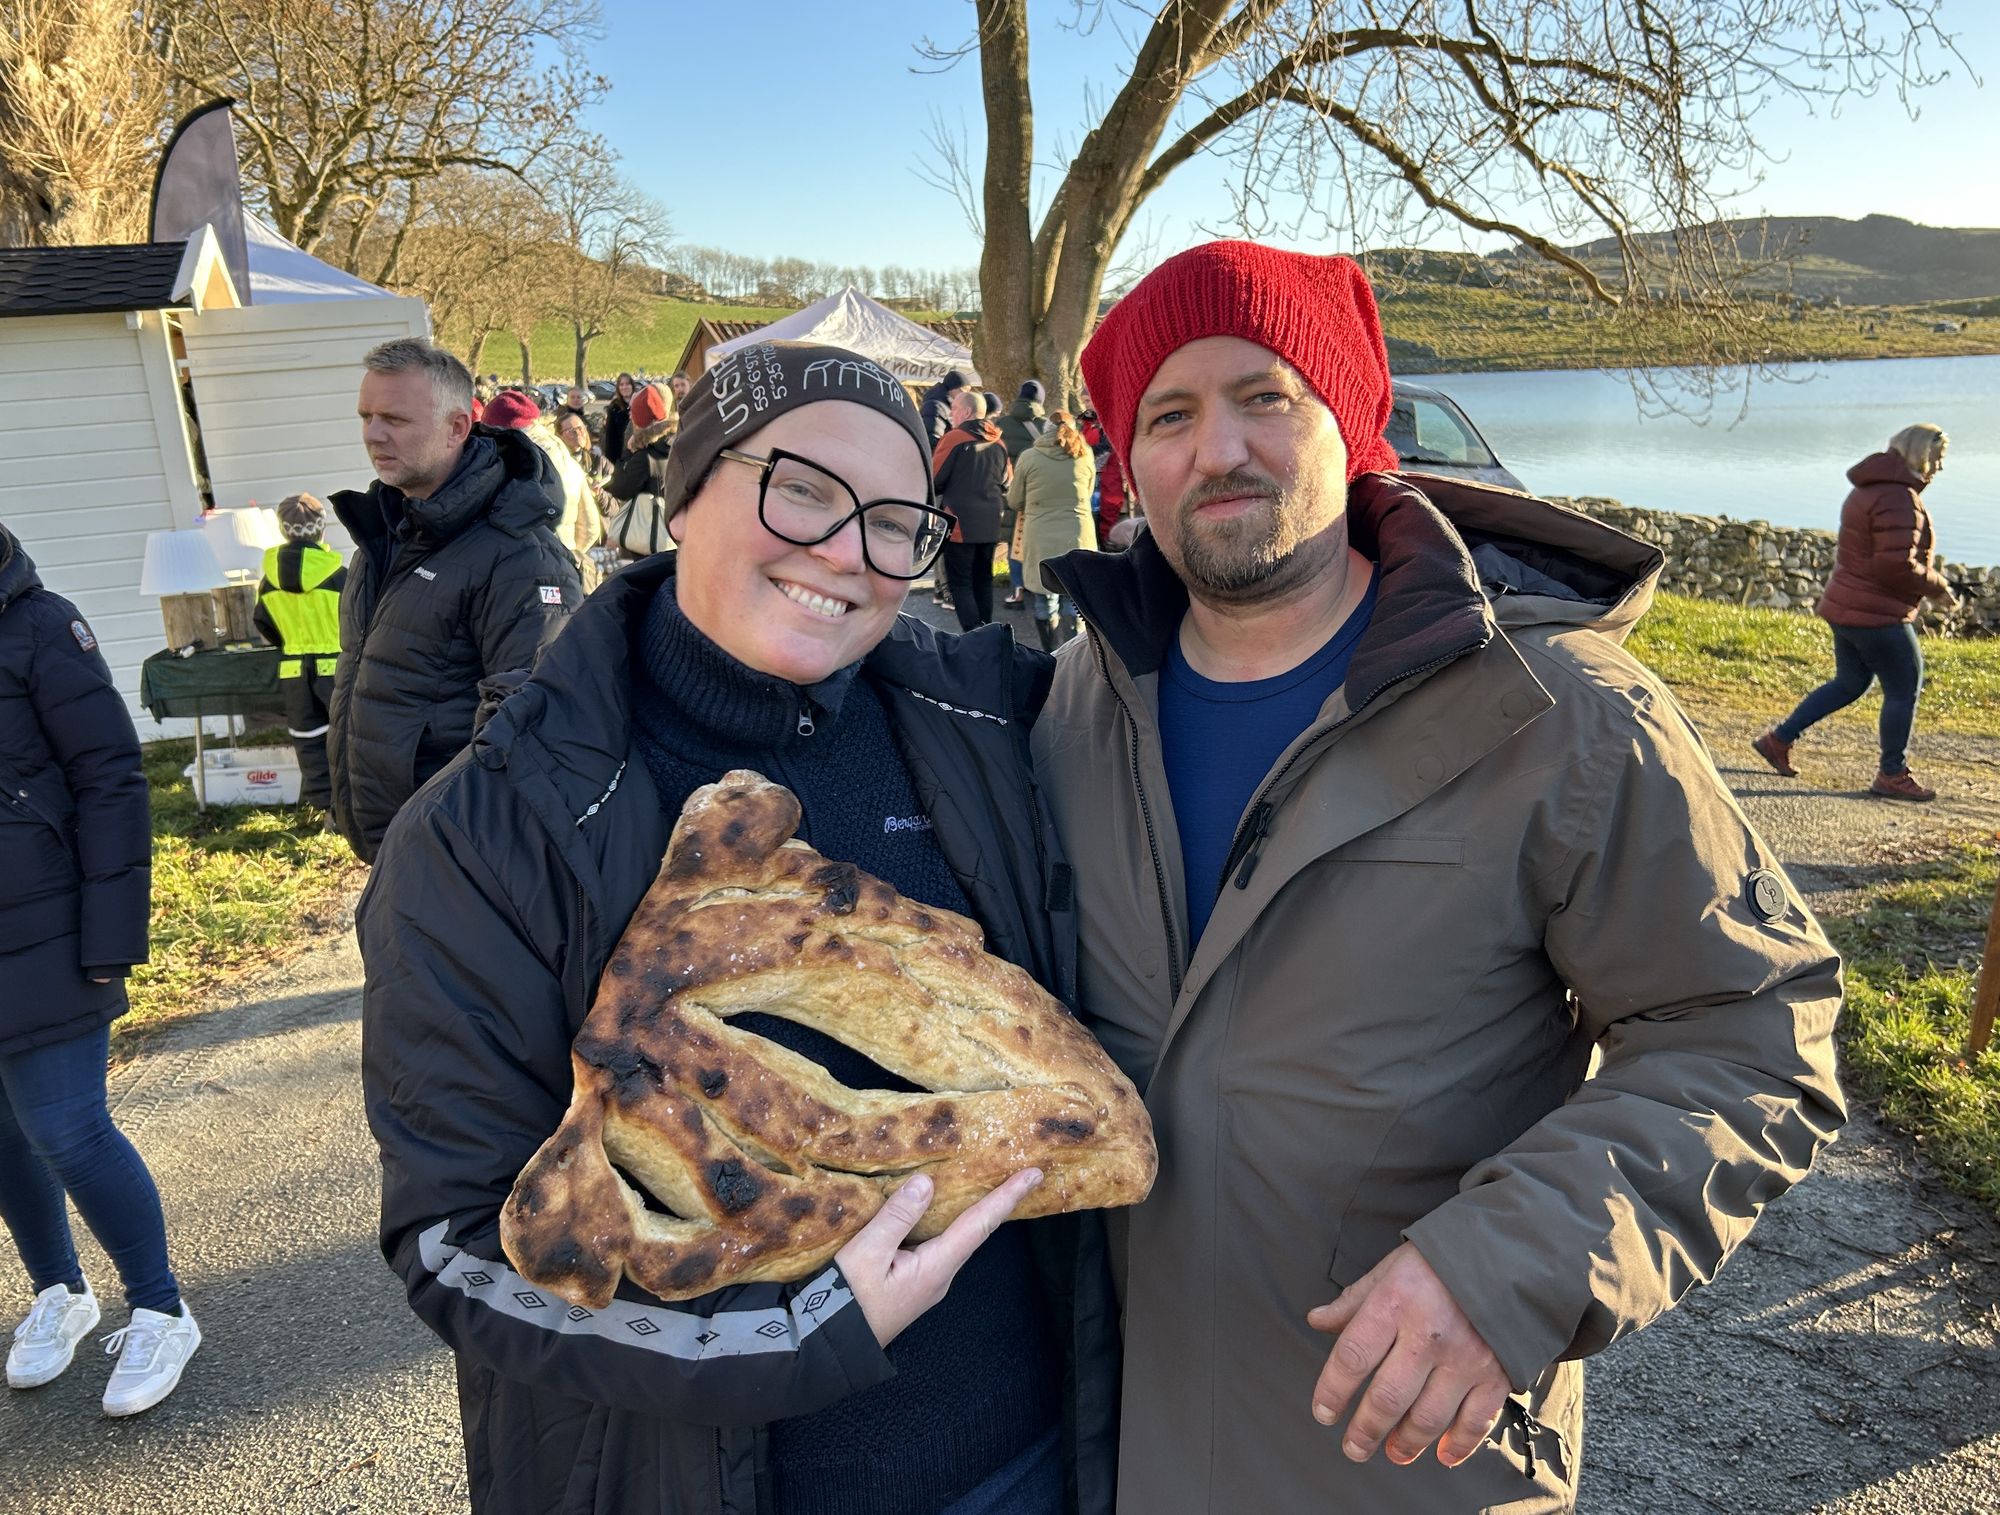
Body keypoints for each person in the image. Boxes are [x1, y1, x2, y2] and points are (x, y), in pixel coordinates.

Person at [1030, 241, 1845, 1513]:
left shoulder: (1561, 711)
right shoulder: (1074, 703)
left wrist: (1507, 1265)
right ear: (1127, 460)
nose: (1218, 449)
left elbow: (1748, 1030)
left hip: (1399, 1465)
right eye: (1169, 414)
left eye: (1265, 397)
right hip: (1108, 1452)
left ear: (1352, 421)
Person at [357, 340, 1119, 1515]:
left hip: (1024, 1464)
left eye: (893, 521)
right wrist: (788, 1334)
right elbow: (454, 1241)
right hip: (685, 1478)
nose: (844, 552)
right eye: (800, 488)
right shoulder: (490, 830)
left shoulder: (979, 719)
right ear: (683, 490)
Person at [0, 524, 200, 1416]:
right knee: (3, 1135)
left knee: (65, 1127)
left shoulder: (41, 625)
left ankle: (162, 1307)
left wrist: (109, 934)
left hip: (47, 922)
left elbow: (112, 775)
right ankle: (59, 1290)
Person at [327, 337, 582, 863]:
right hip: (391, 847)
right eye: (365, 415)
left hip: (461, 860)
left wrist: (459, 857)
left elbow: (536, 731)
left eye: (394, 419)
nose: (373, 434)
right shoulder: (386, 531)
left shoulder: (521, 557)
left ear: (457, 428)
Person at [1752, 424, 1957, 801]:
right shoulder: (1899, 499)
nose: (1939, 467)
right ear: (1920, 454)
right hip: (1876, 615)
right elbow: (1894, 566)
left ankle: (1777, 740)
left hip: (1846, 607)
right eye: (1938, 458)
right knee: (1903, 688)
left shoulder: (1868, 488)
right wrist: (1938, 587)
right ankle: (1891, 774)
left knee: (1850, 682)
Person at [252, 493, 347, 808]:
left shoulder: (268, 583)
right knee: (346, 738)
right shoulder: (338, 576)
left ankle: (323, 807)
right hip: (336, 669)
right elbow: (359, 619)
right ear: (322, 529)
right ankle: (352, 806)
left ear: (283, 530)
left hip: (293, 671)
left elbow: (263, 623)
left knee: (308, 739)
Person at [1008, 409, 1095, 650]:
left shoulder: (1030, 456)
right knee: (1073, 598)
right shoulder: (1084, 454)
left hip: (1040, 535)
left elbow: (1015, 500)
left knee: (1044, 599)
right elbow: (1087, 494)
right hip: (1079, 532)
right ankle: (1075, 654)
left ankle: (1051, 653)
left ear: (1045, 430)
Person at [933, 390, 1011, 631]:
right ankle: (987, 632)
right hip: (989, 520)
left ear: (966, 412)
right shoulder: (998, 441)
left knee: (961, 583)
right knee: (983, 580)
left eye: (954, 409)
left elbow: (934, 478)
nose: (951, 414)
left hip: (960, 522)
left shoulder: (954, 438)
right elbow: (1007, 482)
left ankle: (974, 636)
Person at [996, 381, 1052, 606]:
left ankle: (1017, 588)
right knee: (1038, 542)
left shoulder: (1001, 425)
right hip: (1041, 493)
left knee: (1014, 541)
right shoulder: (1046, 427)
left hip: (1012, 489)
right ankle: (1039, 585)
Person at [919, 368, 968, 446]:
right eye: (964, 390)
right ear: (954, 389)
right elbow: (931, 439)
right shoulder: (935, 407)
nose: (966, 395)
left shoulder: (947, 406)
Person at [603, 372, 637, 464]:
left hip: (637, 452)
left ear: (632, 386)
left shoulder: (639, 404)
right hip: (620, 453)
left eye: (627, 384)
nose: (624, 387)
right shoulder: (614, 408)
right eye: (621, 384)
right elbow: (610, 436)